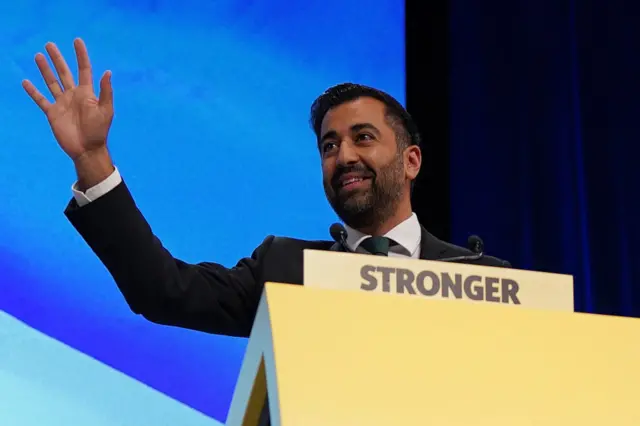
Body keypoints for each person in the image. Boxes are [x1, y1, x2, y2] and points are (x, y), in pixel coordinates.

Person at [23, 38, 510, 339]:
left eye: (363, 137)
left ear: (411, 161)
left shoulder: (484, 279)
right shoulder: (286, 269)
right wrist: (91, 158)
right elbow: (163, 291)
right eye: (329, 146)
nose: (344, 157)